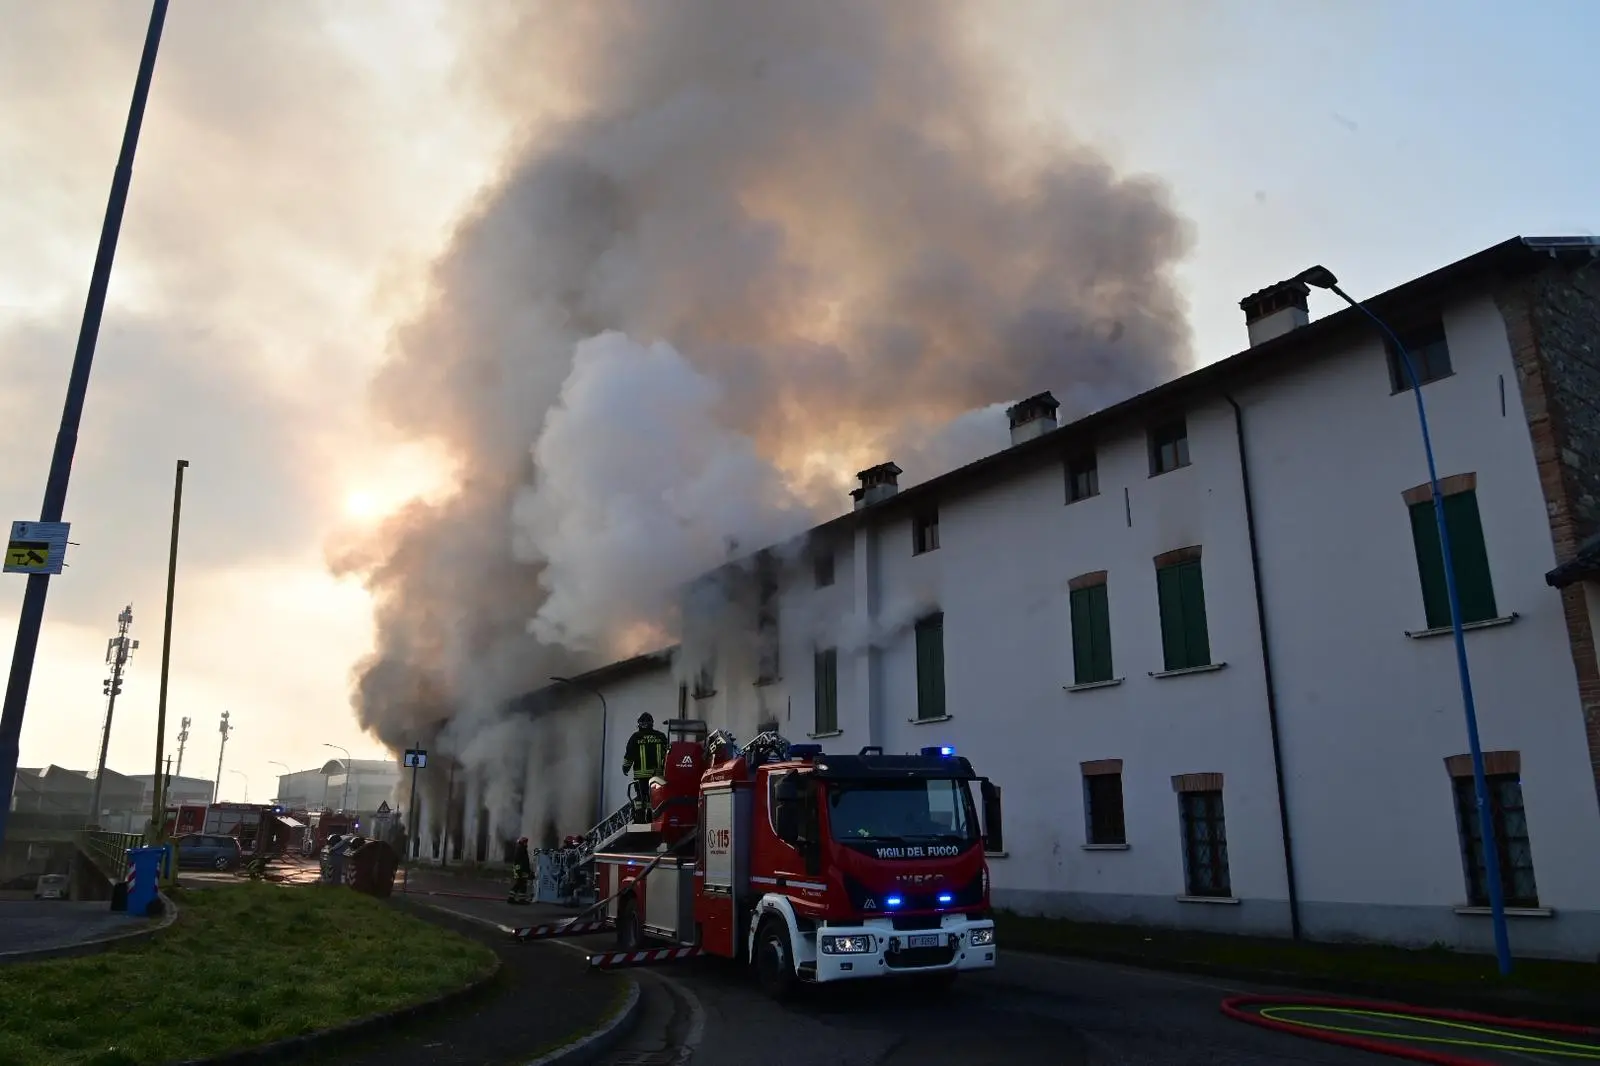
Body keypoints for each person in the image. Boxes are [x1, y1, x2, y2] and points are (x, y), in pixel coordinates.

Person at [622, 712, 669, 821]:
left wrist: (625, 768)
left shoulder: (635, 737)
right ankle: (653, 817)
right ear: (651, 723)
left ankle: (640, 818)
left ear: (639, 724)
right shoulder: (660, 736)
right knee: (655, 796)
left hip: (641, 775)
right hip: (658, 775)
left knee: (641, 798)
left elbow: (629, 755)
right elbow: (667, 753)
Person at [508, 836, 532, 904]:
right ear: (522, 842)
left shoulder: (521, 848)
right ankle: (520, 899)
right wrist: (519, 871)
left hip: (520, 870)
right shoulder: (521, 849)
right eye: (525, 842)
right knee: (522, 884)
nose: (526, 843)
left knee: (520, 883)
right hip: (521, 870)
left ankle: (512, 898)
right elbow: (519, 861)